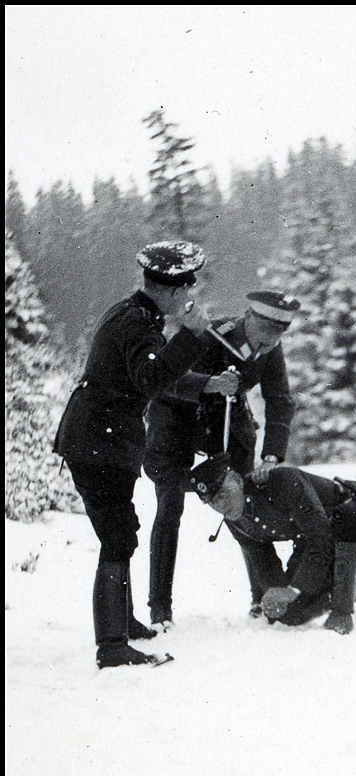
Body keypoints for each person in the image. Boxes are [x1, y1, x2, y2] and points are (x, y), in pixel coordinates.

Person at [54, 240, 211, 668]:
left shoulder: (130, 313)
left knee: (122, 527)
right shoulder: (141, 326)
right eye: (188, 286)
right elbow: (149, 376)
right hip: (100, 441)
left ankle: (123, 623)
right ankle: (112, 645)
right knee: (118, 535)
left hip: (97, 438)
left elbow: (148, 376)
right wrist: (192, 334)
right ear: (176, 291)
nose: (191, 292)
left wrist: (203, 383)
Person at [143, 291, 298, 628]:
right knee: (169, 509)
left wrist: (272, 455)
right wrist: (209, 385)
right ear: (248, 319)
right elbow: (162, 381)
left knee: (245, 508)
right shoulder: (209, 335)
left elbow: (280, 399)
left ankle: (262, 599)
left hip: (227, 423)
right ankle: (160, 609)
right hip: (176, 423)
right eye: (260, 339)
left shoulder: (270, 348)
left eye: (273, 341)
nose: (264, 348)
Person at [184, 454, 356, 635]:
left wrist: (294, 589)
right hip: (311, 536)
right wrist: (276, 593)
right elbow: (262, 561)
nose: (219, 505)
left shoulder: (281, 481)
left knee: (342, 522)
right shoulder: (233, 519)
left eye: (222, 494)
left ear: (237, 480)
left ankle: (342, 611)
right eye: (211, 502)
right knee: (289, 615)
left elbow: (321, 539)